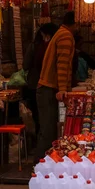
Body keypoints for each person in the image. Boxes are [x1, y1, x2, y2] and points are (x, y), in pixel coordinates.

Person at [36, 12, 77, 160]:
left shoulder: (60, 33)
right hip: (48, 89)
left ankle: (44, 163)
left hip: (47, 88)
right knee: (48, 131)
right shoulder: (65, 36)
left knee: (48, 130)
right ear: (75, 23)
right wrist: (62, 90)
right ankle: (41, 166)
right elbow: (62, 65)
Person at [23, 23, 59, 137]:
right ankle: (43, 139)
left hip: (35, 85)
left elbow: (25, 65)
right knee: (48, 117)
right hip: (49, 85)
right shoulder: (53, 46)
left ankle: (38, 139)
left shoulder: (35, 46)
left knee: (38, 115)